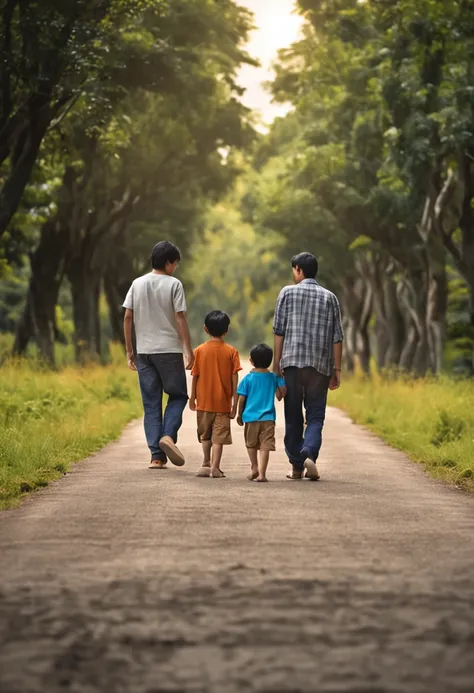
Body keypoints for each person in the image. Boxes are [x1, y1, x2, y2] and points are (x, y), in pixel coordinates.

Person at [123, 241, 194, 470]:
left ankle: (156, 456)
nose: (176, 268)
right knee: (178, 395)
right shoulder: (174, 284)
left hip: (144, 351)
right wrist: (188, 349)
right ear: (168, 262)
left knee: (151, 403)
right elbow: (180, 317)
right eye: (175, 264)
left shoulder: (137, 283)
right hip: (169, 351)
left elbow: (127, 318)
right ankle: (168, 436)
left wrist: (129, 351)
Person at [273, 252, 343, 481]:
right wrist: (337, 370)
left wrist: (277, 365)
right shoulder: (330, 297)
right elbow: (337, 337)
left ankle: (296, 467)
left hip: (292, 364)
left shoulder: (287, 293)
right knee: (315, 415)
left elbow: (279, 331)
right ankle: (309, 453)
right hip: (320, 367)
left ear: (298, 270)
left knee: (292, 416)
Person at [189, 310, 241, 479]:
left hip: (203, 402)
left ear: (205, 329)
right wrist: (234, 401)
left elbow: (195, 376)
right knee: (218, 437)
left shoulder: (198, 351)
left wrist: (192, 398)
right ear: (226, 330)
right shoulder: (232, 352)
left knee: (205, 435)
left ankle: (205, 462)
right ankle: (216, 468)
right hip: (223, 404)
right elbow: (235, 378)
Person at [236, 343, 286, 483]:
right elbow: (281, 394)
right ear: (270, 361)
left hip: (250, 418)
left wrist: (239, 414)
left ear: (251, 361)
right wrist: (280, 378)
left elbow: (242, 398)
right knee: (265, 446)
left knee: (251, 444)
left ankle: (254, 467)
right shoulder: (273, 378)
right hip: (268, 418)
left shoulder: (247, 379)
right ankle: (262, 474)